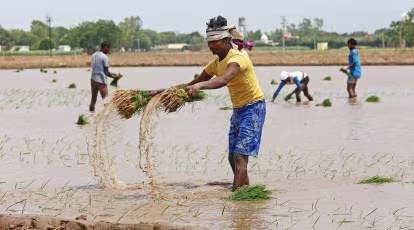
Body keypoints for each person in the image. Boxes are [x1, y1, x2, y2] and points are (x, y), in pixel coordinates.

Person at [182, 16, 266, 191]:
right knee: (232, 157)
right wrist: (161, 92)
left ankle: (236, 200)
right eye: (209, 42)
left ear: (227, 40)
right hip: (238, 110)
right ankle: (244, 190)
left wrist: (200, 85)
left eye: (216, 42)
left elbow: (223, 79)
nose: (211, 46)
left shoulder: (237, 58)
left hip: (253, 107)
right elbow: (193, 82)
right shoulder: (215, 63)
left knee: (240, 156)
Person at [89, 41, 121, 112]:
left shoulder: (94, 55)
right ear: (105, 47)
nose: (109, 50)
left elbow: (99, 68)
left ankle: (90, 114)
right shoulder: (104, 57)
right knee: (106, 101)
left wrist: (113, 74)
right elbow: (106, 72)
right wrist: (114, 77)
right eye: (109, 48)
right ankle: (106, 119)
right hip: (101, 81)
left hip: (93, 80)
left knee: (93, 100)